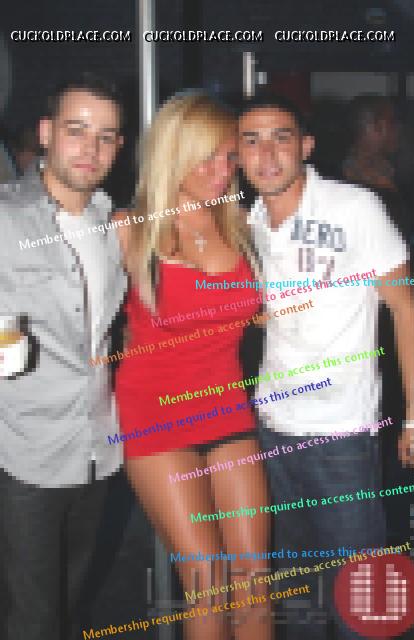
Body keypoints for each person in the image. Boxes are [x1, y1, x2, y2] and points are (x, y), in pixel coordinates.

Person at [237, 93, 414, 639]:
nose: (267, 154)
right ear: (238, 155)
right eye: (252, 141)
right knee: (298, 593)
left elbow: (405, 308)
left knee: (356, 597)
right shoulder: (247, 222)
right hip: (271, 428)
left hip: (342, 432)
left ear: (307, 146)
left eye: (281, 138)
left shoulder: (355, 207)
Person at [115, 93, 272, 640]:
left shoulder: (243, 225)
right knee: (208, 583)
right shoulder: (129, 229)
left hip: (227, 409)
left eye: (229, 158)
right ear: (172, 153)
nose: (222, 171)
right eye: (207, 157)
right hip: (155, 419)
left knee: (255, 579)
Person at [0, 72, 127, 640]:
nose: (90, 148)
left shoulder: (110, 222)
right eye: (77, 131)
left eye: (105, 136)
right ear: (47, 133)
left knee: (72, 604)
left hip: (96, 447)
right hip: (21, 453)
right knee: (33, 618)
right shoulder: (6, 218)